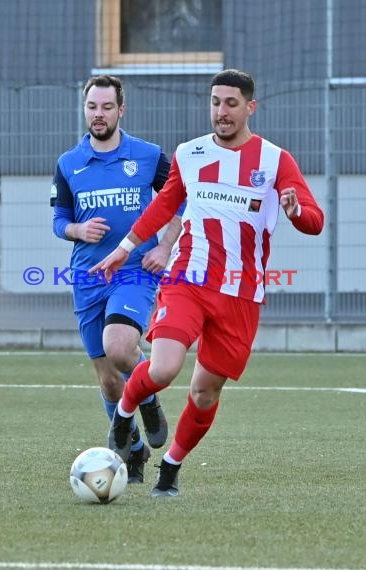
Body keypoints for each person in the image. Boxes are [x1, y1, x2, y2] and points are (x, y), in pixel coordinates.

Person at [89, 68, 325, 497]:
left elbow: (315, 221)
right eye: (216, 102)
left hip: (240, 293)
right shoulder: (189, 153)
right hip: (188, 280)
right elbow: (165, 206)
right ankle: (124, 415)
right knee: (162, 367)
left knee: (203, 392)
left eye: (231, 103)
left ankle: (170, 470)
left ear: (250, 107)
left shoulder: (275, 161)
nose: (222, 111)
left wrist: (294, 211)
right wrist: (126, 246)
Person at [51, 74, 183, 484]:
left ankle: (149, 402)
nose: (99, 114)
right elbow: (59, 220)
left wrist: (163, 248)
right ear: (85, 108)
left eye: (107, 107)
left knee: (121, 346)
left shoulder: (148, 156)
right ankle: (136, 450)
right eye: (93, 107)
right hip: (88, 277)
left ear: (121, 110)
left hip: (133, 272)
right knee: (108, 381)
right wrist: (77, 230)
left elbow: (178, 202)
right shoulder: (68, 163)